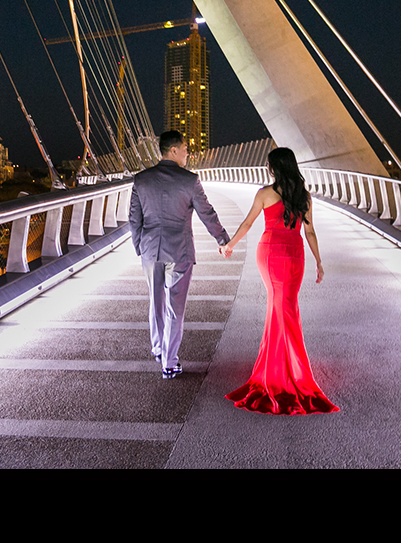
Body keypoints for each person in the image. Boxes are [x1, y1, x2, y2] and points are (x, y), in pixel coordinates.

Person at [222, 147, 339, 414]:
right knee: (285, 306)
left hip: (271, 252)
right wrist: (318, 262)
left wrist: (230, 245)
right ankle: (288, 369)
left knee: (281, 307)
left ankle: (277, 371)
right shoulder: (304, 196)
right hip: (295, 253)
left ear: (273, 168)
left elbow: (248, 224)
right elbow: (309, 232)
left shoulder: (264, 193)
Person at [130, 131, 231, 379]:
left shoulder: (141, 180)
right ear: (173, 150)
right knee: (175, 307)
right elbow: (207, 213)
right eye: (185, 148)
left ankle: (157, 348)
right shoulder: (190, 181)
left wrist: (139, 247)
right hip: (179, 251)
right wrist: (222, 239)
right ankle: (170, 361)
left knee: (155, 301)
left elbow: (134, 219)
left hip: (150, 250)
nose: (188, 152)